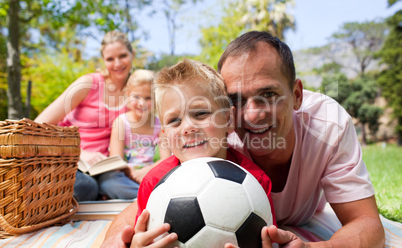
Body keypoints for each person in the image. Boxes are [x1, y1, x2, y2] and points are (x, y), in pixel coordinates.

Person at [101, 31, 385, 248]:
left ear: (297, 95)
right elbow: (152, 199)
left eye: (269, 94)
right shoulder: (212, 138)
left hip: (305, 216)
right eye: (237, 99)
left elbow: (367, 223)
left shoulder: (328, 124)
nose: (252, 115)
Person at [131, 59, 276, 247]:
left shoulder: (257, 182)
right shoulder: (153, 183)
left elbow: (269, 240)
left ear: (229, 119)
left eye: (200, 113)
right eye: (175, 120)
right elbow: (141, 237)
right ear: (165, 135)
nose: (188, 128)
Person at [35, 30, 133, 201]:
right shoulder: (88, 83)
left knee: (113, 186)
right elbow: (39, 125)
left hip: (102, 167)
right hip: (70, 158)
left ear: (132, 55)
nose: (117, 63)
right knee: (85, 187)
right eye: (110, 59)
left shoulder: (136, 92)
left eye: (123, 56)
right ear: (103, 60)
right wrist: (80, 153)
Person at [102, 69, 164, 199]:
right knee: (108, 181)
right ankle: (147, 198)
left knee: (168, 174)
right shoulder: (121, 122)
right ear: (127, 95)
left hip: (150, 175)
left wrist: (144, 173)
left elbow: (166, 159)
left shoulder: (159, 124)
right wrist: (134, 174)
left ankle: (146, 195)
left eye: (148, 98)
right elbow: (116, 160)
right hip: (125, 176)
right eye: (136, 97)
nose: (142, 103)